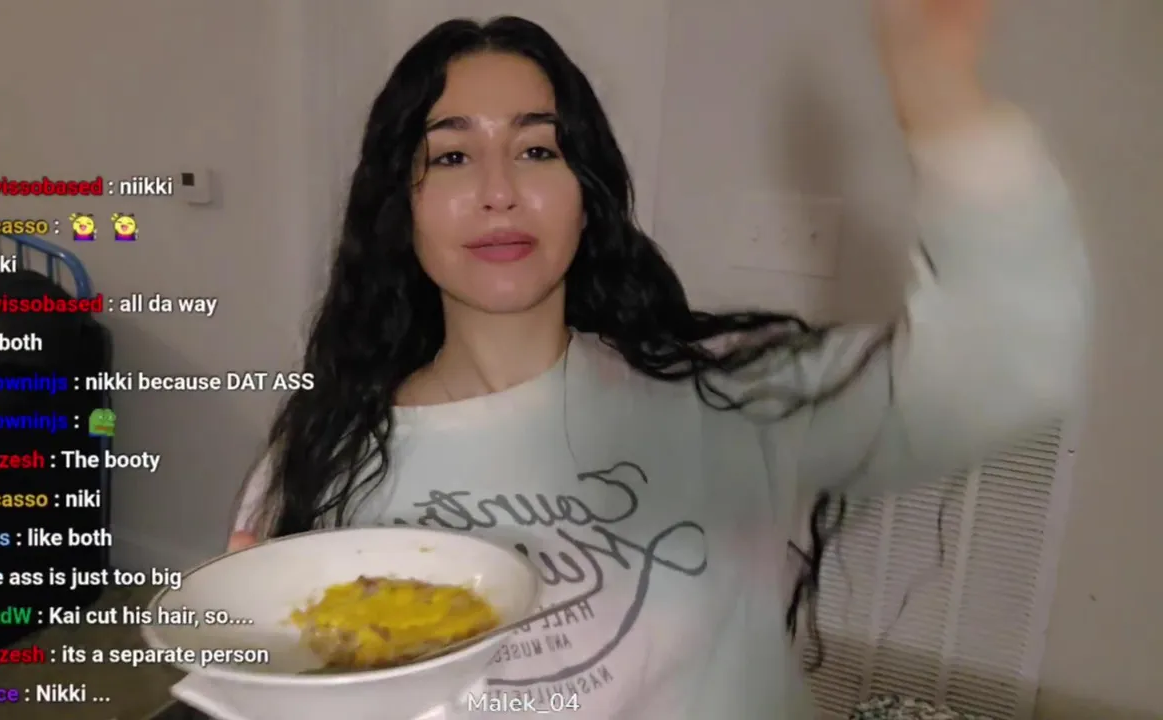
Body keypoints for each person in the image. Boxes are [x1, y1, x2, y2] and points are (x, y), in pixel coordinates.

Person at [227, 2, 1091, 717]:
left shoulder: (723, 398)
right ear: (399, 208)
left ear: (587, 194)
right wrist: (264, 679)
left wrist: (943, 101)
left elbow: (1009, 366)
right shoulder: (322, 461)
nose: (499, 190)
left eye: (537, 149)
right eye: (452, 155)